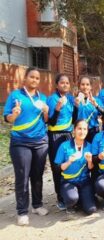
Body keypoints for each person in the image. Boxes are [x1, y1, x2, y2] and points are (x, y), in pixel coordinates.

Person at [3, 67, 49, 226]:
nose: (35, 80)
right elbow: (7, 119)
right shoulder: (15, 95)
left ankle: (37, 205)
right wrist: (14, 115)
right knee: (22, 177)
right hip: (20, 142)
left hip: (40, 142)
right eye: (32, 77)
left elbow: (46, 119)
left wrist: (46, 111)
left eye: (37, 78)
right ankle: (22, 211)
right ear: (25, 78)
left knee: (37, 176)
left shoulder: (42, 97)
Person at [47, 73, 77, 210]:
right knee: (57, 166)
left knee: (70, 163)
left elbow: (75, 119)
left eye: (67, 83)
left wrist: (76, 106)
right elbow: (51, 121)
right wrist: (58, 108)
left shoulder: (70, 98)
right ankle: (60, 197)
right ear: (56, 85)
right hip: (55, 136)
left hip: (68, 135)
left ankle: (69, 192)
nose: (65, 85)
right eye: (62, 83)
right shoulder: (52, 99)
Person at [54, 120, 97, 215]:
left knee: (91, 210)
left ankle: (81, 199)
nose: (82, 132)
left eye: (84, 129)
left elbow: (91, 168)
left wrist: (90, 161)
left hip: (84, 181)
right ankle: (71, 203)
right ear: (74, 130)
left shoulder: (89, 146)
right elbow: (57, 168)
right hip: (68, 182)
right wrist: (69, 162)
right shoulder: (64, 146)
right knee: (72, 199)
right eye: (79, 129)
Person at [74, 76, 104, 143]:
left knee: (93, 152)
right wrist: (76, 105)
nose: (85, 87)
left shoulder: (96, 100)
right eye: (82, 84)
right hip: (80, 131)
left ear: (91, 87)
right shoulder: (74, 101)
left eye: (87, 84)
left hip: (93, 131)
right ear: (79, 86)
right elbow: (73, 120)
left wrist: (96, 105)